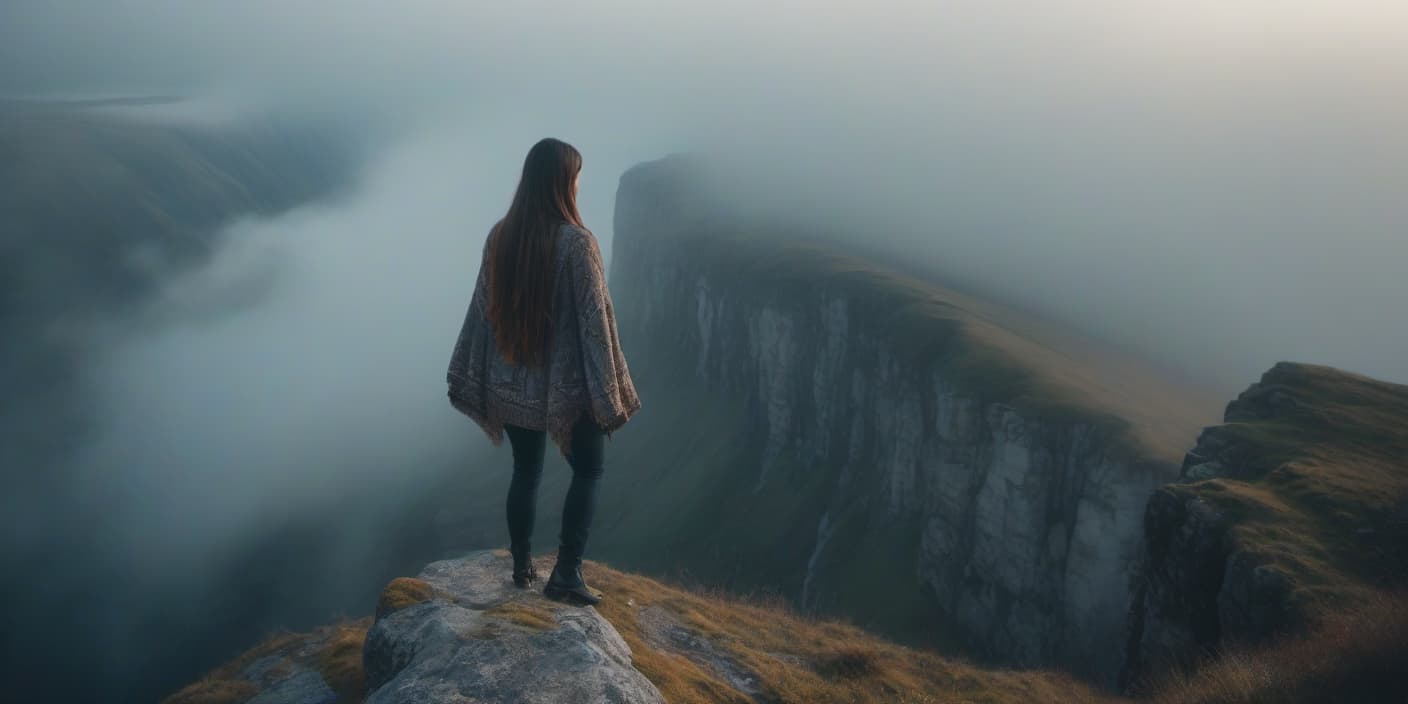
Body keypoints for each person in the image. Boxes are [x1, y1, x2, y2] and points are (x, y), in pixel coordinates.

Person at [446, 137, 641, 606]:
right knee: (590, 470)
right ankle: (567, 574)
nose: (579, 184)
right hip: (566, 390)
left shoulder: (501, 235)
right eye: (576, 176)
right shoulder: (578, 244)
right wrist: (607, 390)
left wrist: (476, 372)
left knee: (526, 471)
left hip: (512, 385)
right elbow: (597, 324)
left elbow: (482, 312)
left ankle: (521, 566)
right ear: (562, 182)